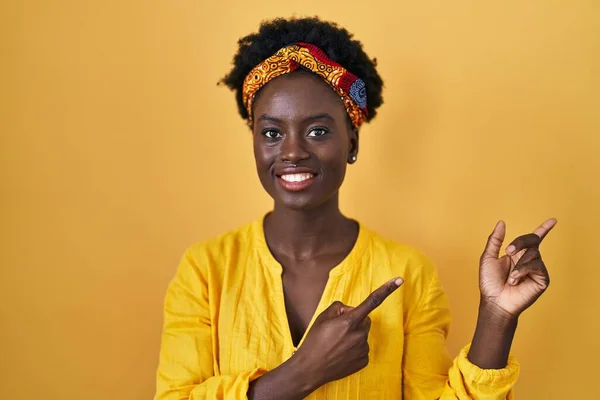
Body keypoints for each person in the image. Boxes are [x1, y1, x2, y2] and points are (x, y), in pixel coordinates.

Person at [154, 17, 556, 400]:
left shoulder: (409, 273)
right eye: (272, 133)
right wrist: (305, 370)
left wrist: (497, 317)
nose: (292, 151)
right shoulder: (206, 271)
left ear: (352, 144)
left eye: (318, 131)